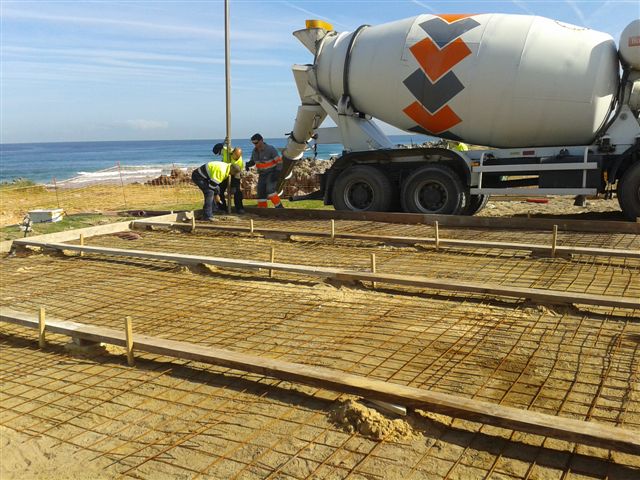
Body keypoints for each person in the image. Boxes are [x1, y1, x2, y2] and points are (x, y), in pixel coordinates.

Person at [246, 133, 284, 208]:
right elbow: (253, 161)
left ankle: (279, 207)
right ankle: (263, 209)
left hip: (271, 173)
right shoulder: (254, 152)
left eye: (256, 142)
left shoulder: (270, 149)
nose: (255, 145)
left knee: (270, 190)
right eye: (253, 143)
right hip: (262, 174)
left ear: (261, 140)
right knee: (261, 192)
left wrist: (277, 172)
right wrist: (248, 164)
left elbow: (279, 162)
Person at [213, 142, 245, 214]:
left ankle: (239, 208)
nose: (220, 154)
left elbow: (238, 170)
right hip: (226, 172)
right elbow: (223, 144)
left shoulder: (237, 158)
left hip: (235, 173)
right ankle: (222, 208)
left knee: (236, 191)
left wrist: (233, 185)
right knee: (220, 190)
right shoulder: (225, 150)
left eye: (219, 153)